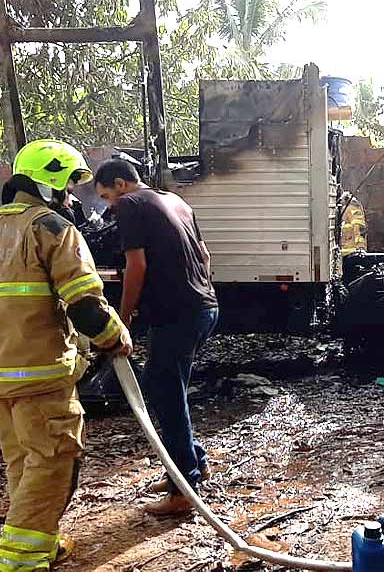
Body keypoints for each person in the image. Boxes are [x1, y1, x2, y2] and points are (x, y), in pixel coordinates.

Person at [0, 140, 132, 571]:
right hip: (42, 374)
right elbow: (84, 305)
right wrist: (115, 336)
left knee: (24, 464)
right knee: (53, 464)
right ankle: (20, 562)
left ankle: (42, 542)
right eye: (66, 189)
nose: (70, 199)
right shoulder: (53, 230)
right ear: (49, 185)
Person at [93, 158, 219, 516]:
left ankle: (184, 490)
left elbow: (137, 266)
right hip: (205, 308)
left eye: (106, 196)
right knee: (168, 390)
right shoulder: (177, 201)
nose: (108, 206)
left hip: (178, 314)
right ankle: (192, 462)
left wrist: (123, 318)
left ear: (121, 184)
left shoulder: (131, 205)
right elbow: (205, 256)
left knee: (164, 391)